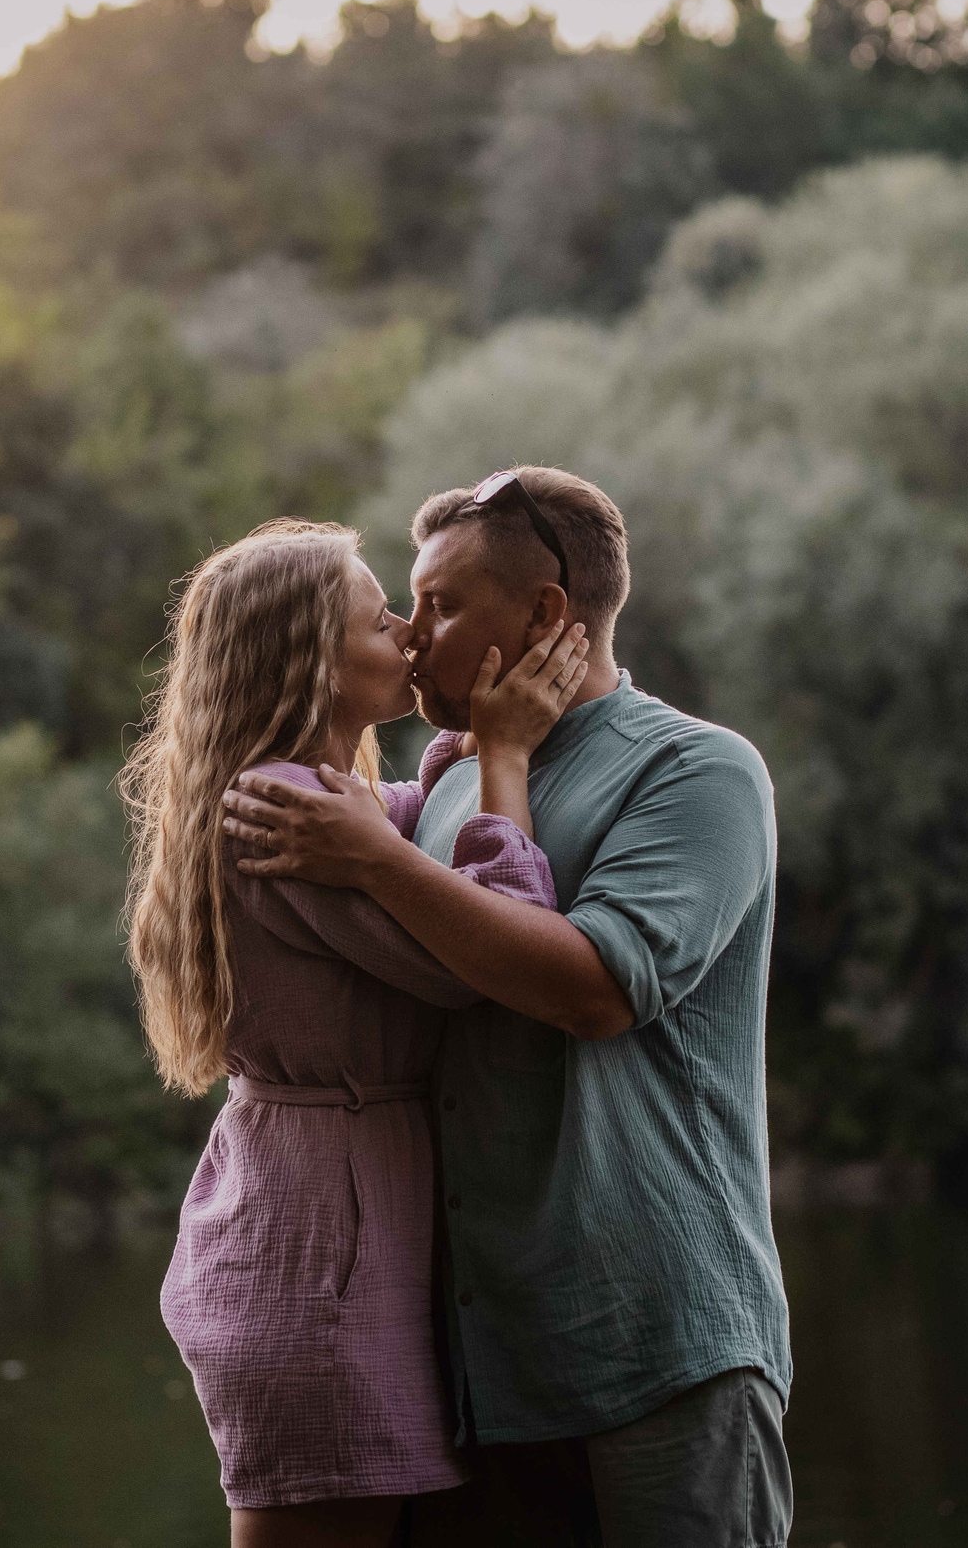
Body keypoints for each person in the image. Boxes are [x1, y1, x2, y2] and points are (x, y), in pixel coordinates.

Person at [220, 468, 794, 1548]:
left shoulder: (696, 771)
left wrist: (378, 865)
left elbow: (592, 990)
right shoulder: (445, 788)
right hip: (476, 1365)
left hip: (658, 1345)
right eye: (405, 603)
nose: (413, 633)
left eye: (439, 604)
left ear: (543, 614)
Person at [120, 517, 592, 1547]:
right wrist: (503, 759)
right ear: (308, 660)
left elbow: (395, 832)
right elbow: (481, 958)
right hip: (317, 1257)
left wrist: (453, 765)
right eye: (378, 617)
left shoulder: (327, 805)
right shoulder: (282, 810)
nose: (407, 631)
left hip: (331, 1225)